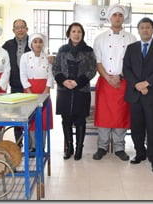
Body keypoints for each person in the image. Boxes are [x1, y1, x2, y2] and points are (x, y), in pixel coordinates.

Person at [123, 17, 153, 173]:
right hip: (135, 94)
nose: (145, 30)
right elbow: (126, 69)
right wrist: (137, 84)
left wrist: (147, 83)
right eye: (142, 27)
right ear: (138, 30)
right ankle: (139, 153)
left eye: (148, 27)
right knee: (136, 127)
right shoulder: (131, 48)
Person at [92, 4, 136, 161]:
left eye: (120, 15)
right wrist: (108, 77)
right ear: (110, 18)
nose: (117, 18)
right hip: (105, 81)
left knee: (121, 115)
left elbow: (132, 62)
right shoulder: (100, 38)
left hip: (123, 82)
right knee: (104, 116)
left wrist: (120, 76)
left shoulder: (131, 38)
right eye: (114, 15)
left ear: (123, 18)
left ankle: (119, 147)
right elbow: (97, 61)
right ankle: (102, 146)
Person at [52, 22, 96, 160]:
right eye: (74, 31)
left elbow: (92, 69)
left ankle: (79, 149)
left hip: (81, 89)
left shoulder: (88, 50)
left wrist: (78, 82)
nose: (76, 34)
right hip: (64, 90)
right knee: (66, 119)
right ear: (69, 34)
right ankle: (69, 147)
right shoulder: (62, 50)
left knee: (80, 119)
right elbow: (56, 68)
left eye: (79, 32)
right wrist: (64, 81)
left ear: (82, 34)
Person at [20, 33, 54, 151]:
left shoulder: (47, 58)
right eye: (35, 42)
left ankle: (41, 146)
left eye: (40, 41)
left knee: (43, 120)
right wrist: (29, 91)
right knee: (31, 120)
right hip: (29, 90)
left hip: (44, 91)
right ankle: (32, 146)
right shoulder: (25, 57)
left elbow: (50, 75)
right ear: (31, 44)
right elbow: (23, 75)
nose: (38, 44)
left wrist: (46, 90)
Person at [2, 19, 31, 146]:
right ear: (13, 30)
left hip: (31, 87)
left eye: (22, 27)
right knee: (17, 116)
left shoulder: (33, 42)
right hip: (15, 85)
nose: (20, 30)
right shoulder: (8, 45)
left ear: (27, 29)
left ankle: (31, 144)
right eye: (17, 28)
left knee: (31, 115)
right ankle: (18, 143)